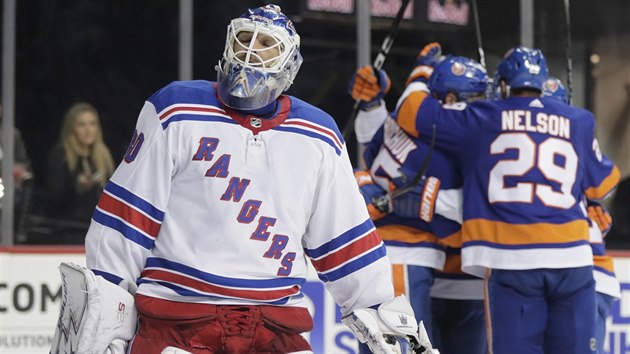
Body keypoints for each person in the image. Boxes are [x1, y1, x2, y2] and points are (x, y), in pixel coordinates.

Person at [50, 5, 437, 354]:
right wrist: (107, 299)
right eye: (244, 38)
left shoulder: (318, 134)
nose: (250, 51)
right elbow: (126, 217)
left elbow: (344, 237)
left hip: (274, 327)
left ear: (289, 64)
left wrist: (378, 308)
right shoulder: (177, 109)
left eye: (266, 43)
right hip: (178, 320)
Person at [353, 46, 620, 353]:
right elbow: (604, 186)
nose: (485, 102)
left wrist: (416, 75)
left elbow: (385, 147)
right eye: (477, 97)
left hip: (484, 263)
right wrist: (589, 206)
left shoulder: (479, 122)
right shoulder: (575, 121)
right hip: (562, 260)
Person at [350, 49, 489, 354]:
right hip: (405, 255)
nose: (483, 109)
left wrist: (371, 108)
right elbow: (454, 230)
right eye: (477, 99)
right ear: (450, 99)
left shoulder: (402, 121)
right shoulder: (444, 152)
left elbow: (368, 162)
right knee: (401, 350)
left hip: (395, 257)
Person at [543, 76, 622, 354]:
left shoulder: (519, 132)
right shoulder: (575, 131)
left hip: (582, 272)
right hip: (575, 271)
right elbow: (607, 183)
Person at [45, 102, 115, 244]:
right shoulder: (61, 156)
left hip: (99, 233)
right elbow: (53, 198)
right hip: (69, 233)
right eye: (82, 125)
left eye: (92, 124)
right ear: (72, 128)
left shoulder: (103, 155)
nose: (88, 130)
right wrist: (77, 187)